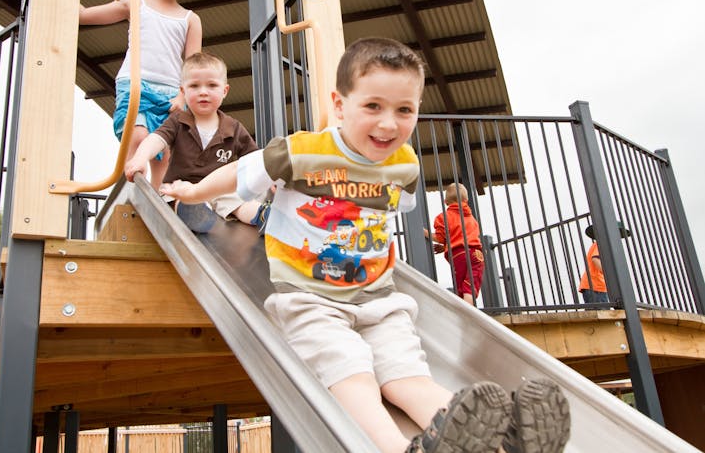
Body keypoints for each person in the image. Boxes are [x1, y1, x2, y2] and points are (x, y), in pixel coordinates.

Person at [161, 38, 570, 453]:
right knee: (350, 374)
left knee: (407, 377)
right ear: (340, 105)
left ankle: (503, 441)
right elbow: (237, 173)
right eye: (373, 106)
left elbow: (399, 202)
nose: (389, 124)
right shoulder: (302, 151)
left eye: (404, 110)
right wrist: (192, 193)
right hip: (310, 300)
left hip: (379, 300)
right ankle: (398, 448)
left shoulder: (405, 164)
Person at [78, 0, 203, 190]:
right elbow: (83, 15)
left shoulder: (190, 19)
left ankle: (160, 201)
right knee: (137, 136)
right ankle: (131, 187)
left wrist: (182, 96)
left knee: (164, 152)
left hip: (170, 92)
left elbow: (193, 66)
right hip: (135, 83)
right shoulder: (136, 3)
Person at [124, 51, 268, 231]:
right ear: (183, 91)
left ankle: (264, 215)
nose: (203, 92)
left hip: (217, 189)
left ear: (224, 91)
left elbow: (255, 160)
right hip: (182, 186)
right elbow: (157, 139)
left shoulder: (233, 128)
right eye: (194, 86)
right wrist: (140, 158)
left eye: (212, 85)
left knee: (237, 200)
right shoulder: (178, 121)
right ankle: (193, 213)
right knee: (175, 195)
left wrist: (273, 179)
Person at [428, 182, 485, 306]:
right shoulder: (472, 220)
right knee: (470, 286)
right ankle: (470, 309)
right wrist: (445, 247)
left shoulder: (443, 217)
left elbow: (440, 237)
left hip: (457, 256)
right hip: (476, 254)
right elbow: (466, 239)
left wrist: (424, 233)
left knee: (460, 286)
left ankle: (465, 311)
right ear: (466, 200)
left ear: (445, 202)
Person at [578, 221, 631, 304]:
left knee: (600, 310)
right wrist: (608, 274)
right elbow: (595, 259)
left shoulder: (605, 246)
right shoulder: (601, 244)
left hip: (597, 286)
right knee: (600, 311)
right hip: (594, 286)